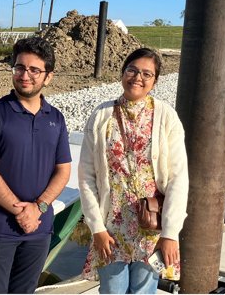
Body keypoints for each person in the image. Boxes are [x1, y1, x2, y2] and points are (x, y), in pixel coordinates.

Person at [78, 48, 189, 294]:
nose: (138, 77)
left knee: (143, 292)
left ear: (155, 81)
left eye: (146, 74)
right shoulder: (101, 115)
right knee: (112, 291)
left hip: (152, 227)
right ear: (123, 72)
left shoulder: (166, 116)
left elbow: (178, 178)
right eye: (132, 70)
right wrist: (96, 227)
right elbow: (86, 177)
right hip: (111, 227)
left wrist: (170, 233)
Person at [0, 37, 71, 293]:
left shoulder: (56, 119)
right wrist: (20, 212)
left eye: (34, 70)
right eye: (19, 68)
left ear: (48, 76)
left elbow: (63, 170)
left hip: (39, 228)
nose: (24, 75)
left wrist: (38, 209)